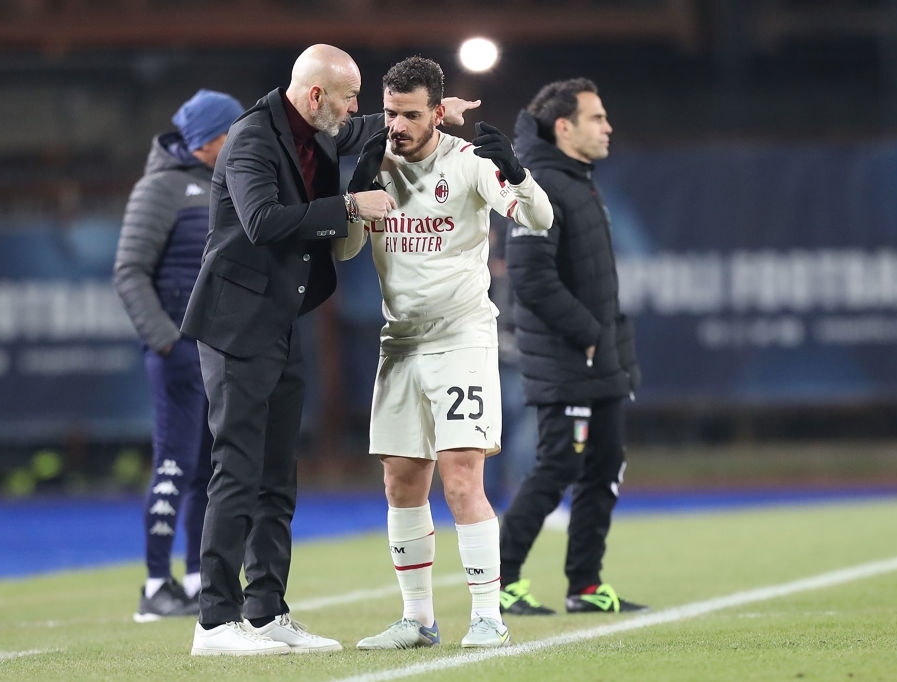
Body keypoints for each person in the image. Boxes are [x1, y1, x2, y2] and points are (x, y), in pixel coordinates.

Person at [180, 44, 479, 657]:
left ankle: (265, 613)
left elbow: (373, 126)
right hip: (237, 325)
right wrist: (347, 206)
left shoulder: (316, 127)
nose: (357, 111)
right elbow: (262, 222)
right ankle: (214, 622)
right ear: (316, 96)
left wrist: (435, 110)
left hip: (282, 320)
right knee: (236, 469)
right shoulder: (251, 141)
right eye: (347, 98)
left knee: (276, 475)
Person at [334, 56, 552, 650]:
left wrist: (517, 172)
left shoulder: (470, 163)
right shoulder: (375, 162)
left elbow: (539, 217)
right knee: (402, 481)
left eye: (411, 114)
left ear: (437, 112)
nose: (398, 125)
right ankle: (418, 619)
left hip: (460, 336)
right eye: (391, 113)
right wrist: (356, 197)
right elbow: (349, 252)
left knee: (461, 478)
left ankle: (487, 615)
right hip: (399, 340)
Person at [496, 78, 647, 616]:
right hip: (566, 355)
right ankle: (500, 582)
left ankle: (584, 585)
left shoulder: (579, 181)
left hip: (598, 357)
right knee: (556, 465)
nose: (607, 127)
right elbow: (532, 279)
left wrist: (610, 344)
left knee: (605, 468)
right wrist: (585, 333)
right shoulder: (538, 186)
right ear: (564, 128)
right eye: (596, 118)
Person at [113, 88, 244, 623]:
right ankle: (152, 587)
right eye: (232, 131)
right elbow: (129, 271)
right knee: (173, 463)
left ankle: (195, 580)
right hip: (176, 355)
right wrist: (166, 340)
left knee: (208, 471)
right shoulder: (160, 188)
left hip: (216, 354)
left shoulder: (223, 183)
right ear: (211, 138)